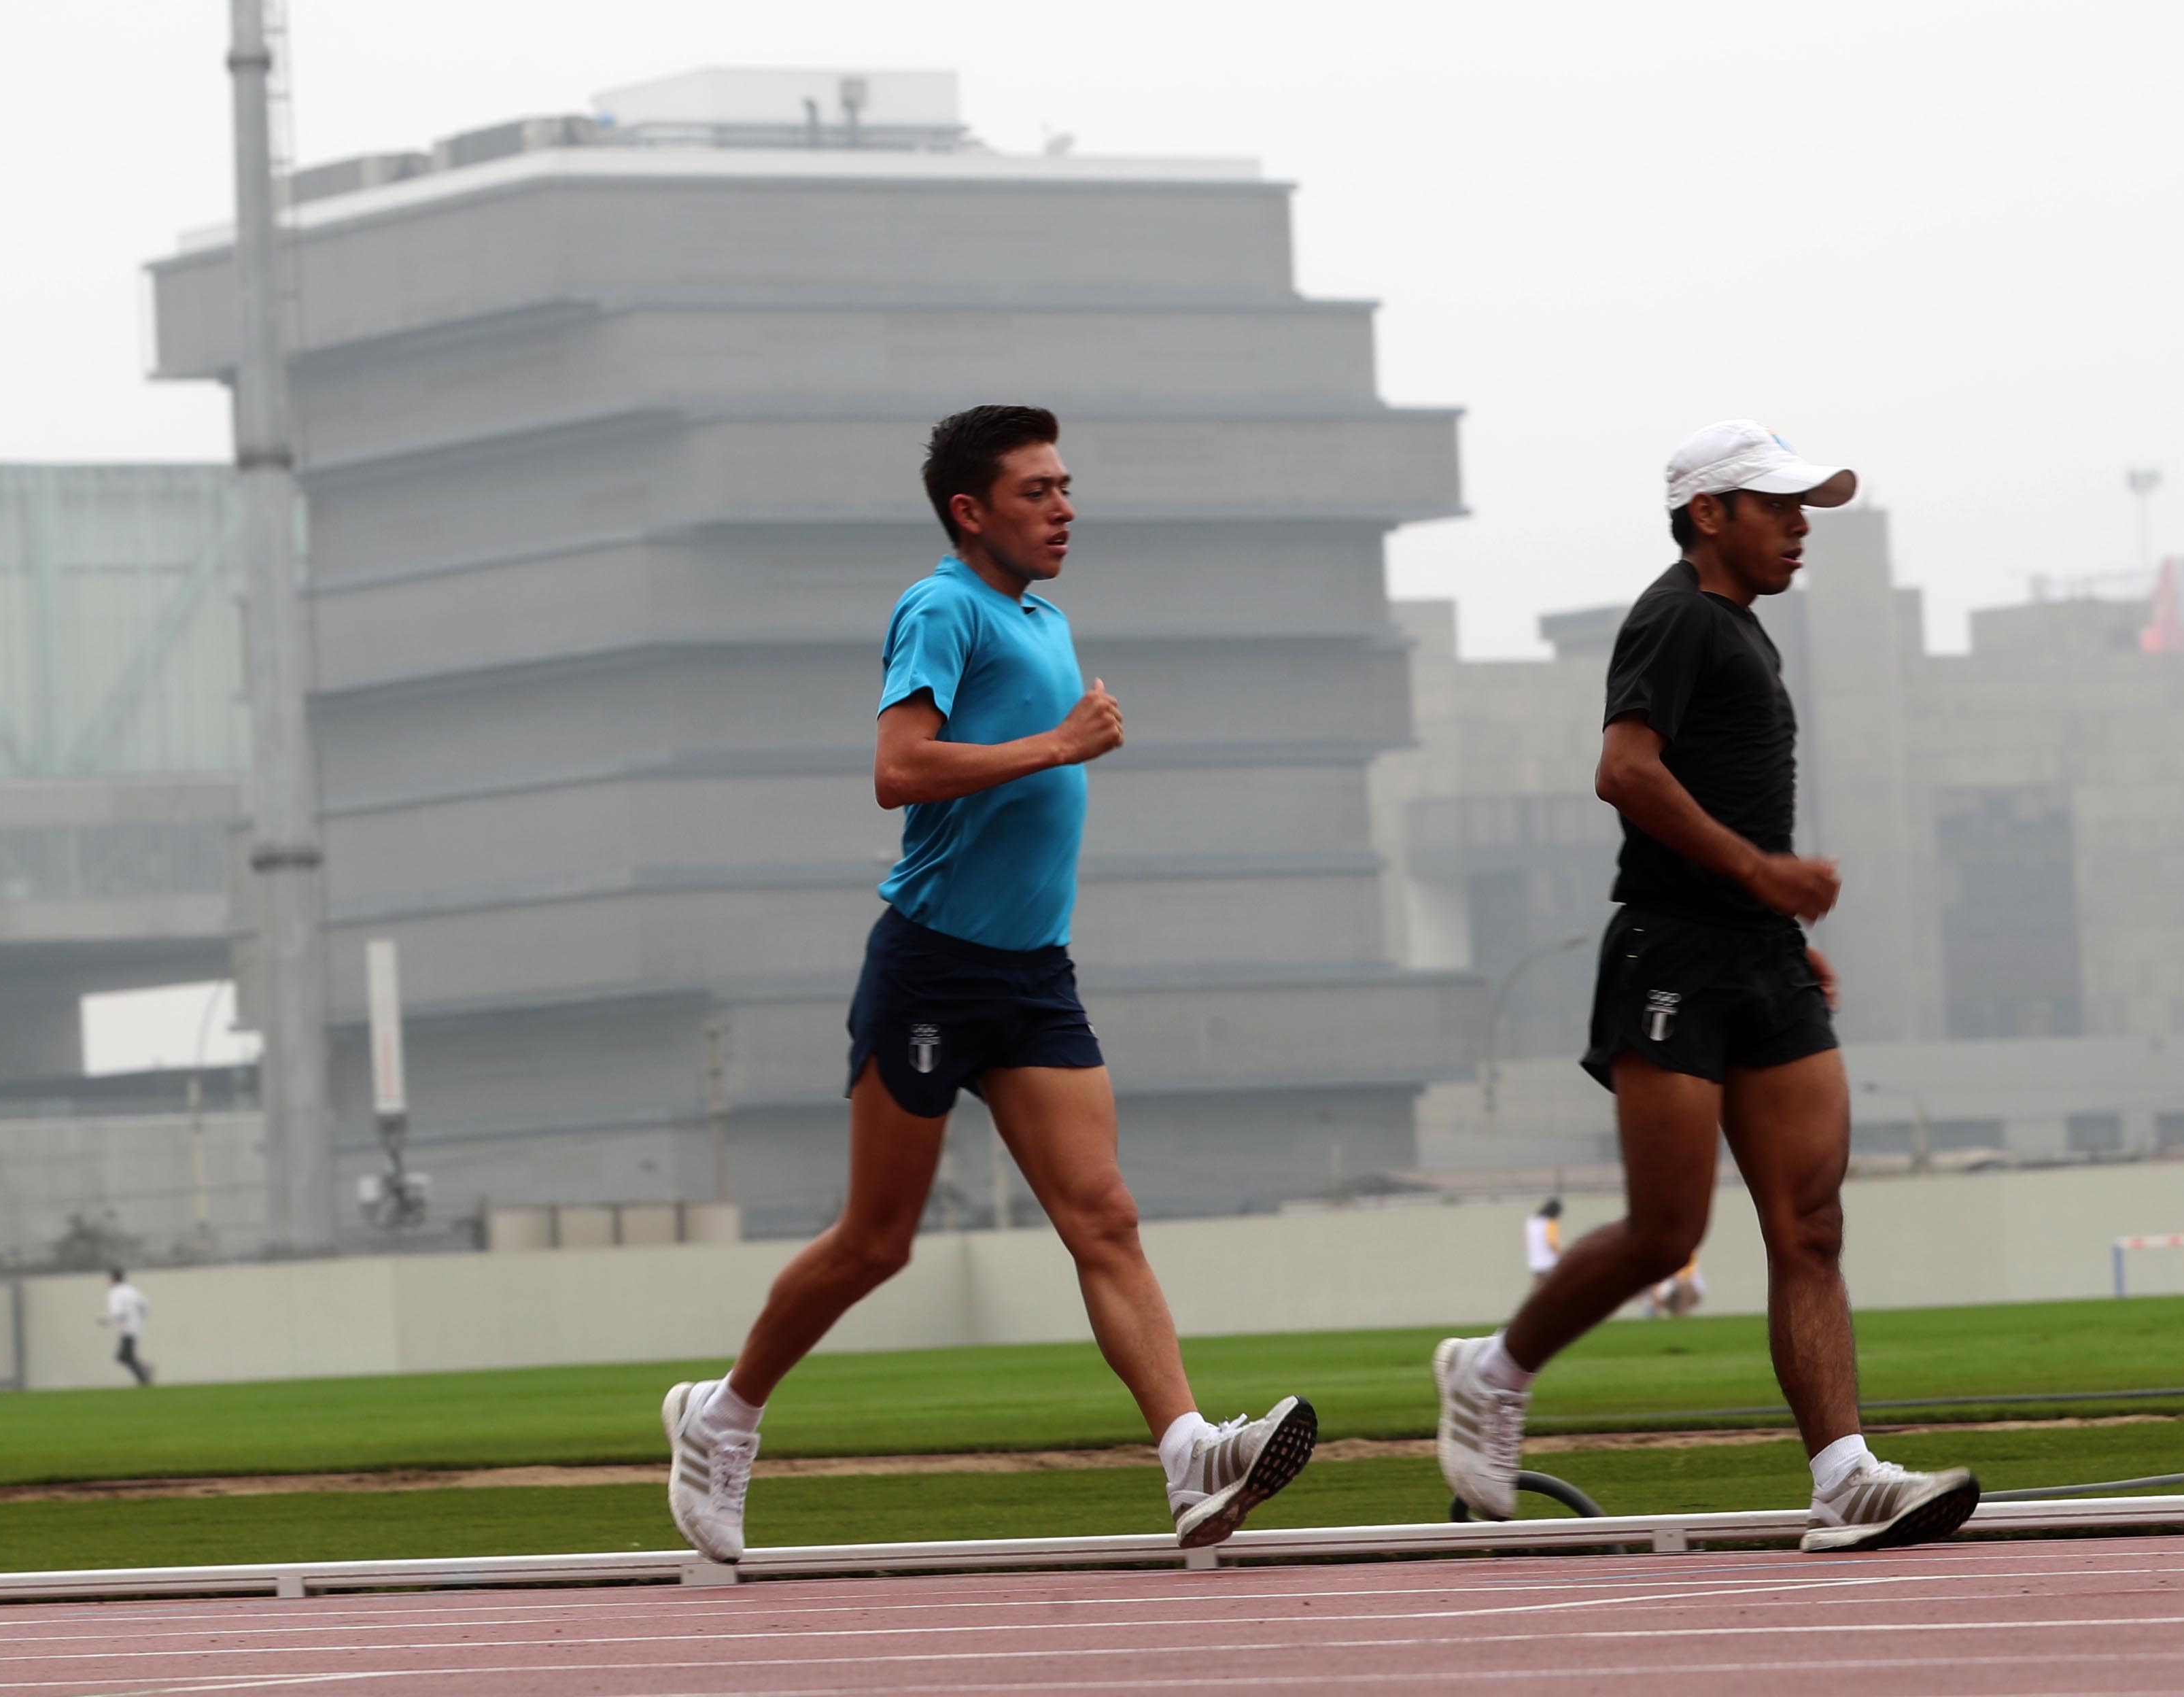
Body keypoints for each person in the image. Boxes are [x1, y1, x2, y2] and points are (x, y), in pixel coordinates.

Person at [663, 406, 1316, 1562]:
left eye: (1066, 487)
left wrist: (1058, 743)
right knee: (876, 1241)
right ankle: (721, 1418)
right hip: (931, 966)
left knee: (1102, 1216)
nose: (1064, 508)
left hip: (1033, 974)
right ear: (971, 511)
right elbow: (898, 768)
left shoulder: (1044, 617)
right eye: (1036, 491)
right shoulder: (941, 607)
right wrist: (1060, 744)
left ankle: (1186, 1457)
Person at [1434, 420, 1979, 1554]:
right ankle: (1490, 1373)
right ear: (1706, 513)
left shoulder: (1745, 634)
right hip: (1674, 952)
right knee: (1663, 1229)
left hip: (1761, 959)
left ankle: (1843, 1477)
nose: (1799, 525)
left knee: (1810, 1225)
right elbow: (1622, 770)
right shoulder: (1674, 615)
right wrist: (1762, 874)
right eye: (1777, 505)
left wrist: (1775, 915)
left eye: (1806, 507)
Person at [101, 1269, 152, 1386]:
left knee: (124, 1356)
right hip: (135, 1326)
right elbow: (145, 1304)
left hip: (126, 1328)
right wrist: (140, 1319)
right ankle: (144, 1376)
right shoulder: (131, 1290)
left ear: (114, 1279)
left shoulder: (114, 1292)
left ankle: (145, 1372)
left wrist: (106, 1319)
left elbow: (118, 1312)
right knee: (126, 1356)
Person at [1524, 1197, 1563, 1288]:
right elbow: (1552, 1242)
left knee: (1539, 1291)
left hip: (1535, 1264)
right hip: (1549, 1264)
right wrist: (1562, 1256)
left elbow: (1527, 1241)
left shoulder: (1531, 1221)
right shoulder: (1550, 1222)